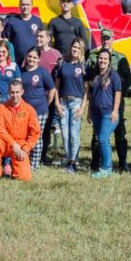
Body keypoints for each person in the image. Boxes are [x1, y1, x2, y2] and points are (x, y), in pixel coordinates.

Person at [87, 29, 131, 172]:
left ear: (113, 39)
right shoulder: (93, 57)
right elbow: (89, 77)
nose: (106, 40)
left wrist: (113, 91)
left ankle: (122, 163)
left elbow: (128, 79)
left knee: (119, 133)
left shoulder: (120, 58)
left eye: (108, 38)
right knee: (97, 134)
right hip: (98, 102)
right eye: (103, 38)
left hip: (115, 103)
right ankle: (96, 163)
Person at [0, 80, 41, 181]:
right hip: (6, 142)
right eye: (12, 92)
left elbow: (35, 132)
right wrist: (12, 143)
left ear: (22, 92)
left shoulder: (29, 109)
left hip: (21, 145)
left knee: (24, 178)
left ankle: (16, 170)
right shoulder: (2, 107)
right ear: (8, 92)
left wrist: (25, 149)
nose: (14, 95)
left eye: (17, 92)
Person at [87, 49, 123, 178]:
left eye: (105, 59)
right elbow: (91, 96)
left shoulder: (114, 75)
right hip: (96, 114)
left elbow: (118, 94)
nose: (102, 60)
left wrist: (115, 111)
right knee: (101, 140)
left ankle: (106, 168)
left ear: (109, 61)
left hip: (108, 114)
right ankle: (105, 165)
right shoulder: (95, 76)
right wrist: (89, 112)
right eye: (100, 58)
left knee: (103, 139)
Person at [53, 38, 87, 174]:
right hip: (63, 103)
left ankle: (73, 162)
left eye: (78, 48)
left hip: (76, 103)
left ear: (82, 50)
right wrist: (56, 103)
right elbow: (56, 86)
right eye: (74, 47)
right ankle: (68, 160)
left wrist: (83, 107)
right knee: (65, 135)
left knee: (74, 134)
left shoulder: (84, 66)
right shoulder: (62, 64)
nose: (75, 50)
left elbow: (86, 90)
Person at [20, 47, 55, 170]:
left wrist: (46, 103)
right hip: (24, 111)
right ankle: (25, 161)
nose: (31, 59)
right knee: (25, 136)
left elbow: (52, 89)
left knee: (36, 136)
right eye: (30, 56)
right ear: (26, 56)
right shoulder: (21, 71)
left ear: (39, 59)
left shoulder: (42, 72)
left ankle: (35, 164)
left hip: (40, 110)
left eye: (34, 57)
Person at [36, 27, 61, 165]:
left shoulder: (56, 54)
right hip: (34, 98)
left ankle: (43, 156)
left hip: (50, 98)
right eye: (38, 36)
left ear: (48, 39)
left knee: (46, 128)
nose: (38, 39)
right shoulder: (33, 52)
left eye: (41, 36)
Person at [3, 0, 44, 65]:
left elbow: (42, 40)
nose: (25, 7)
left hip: (33, 61)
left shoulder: (38, 21)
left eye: (28, 5)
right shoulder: (12, 21)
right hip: (15, 61)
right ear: (19, 5)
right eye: (23, 4)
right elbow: (5, 40)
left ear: (32, 6)